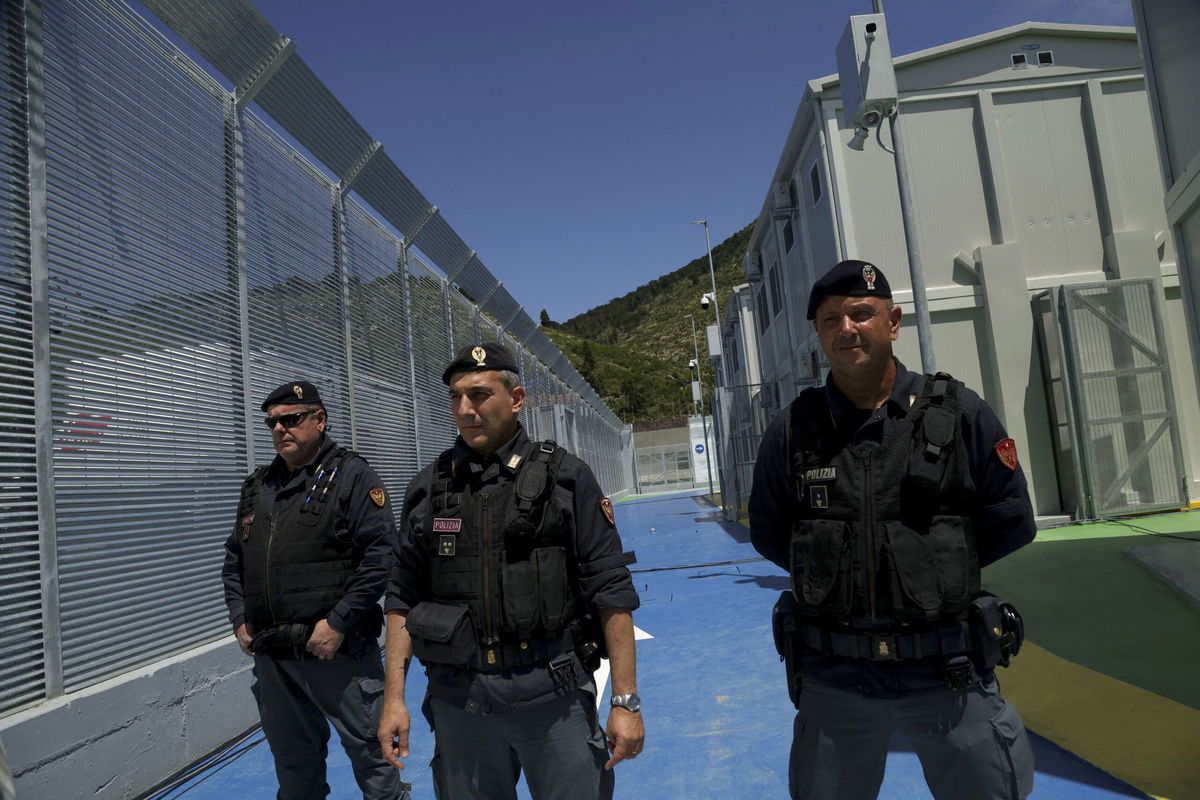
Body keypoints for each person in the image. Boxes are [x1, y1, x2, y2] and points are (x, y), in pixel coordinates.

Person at [750, 260, 1037, 800]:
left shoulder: (959, 414)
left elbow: (1009, 523)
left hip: (948, 675)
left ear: (894, 321)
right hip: (837, 682)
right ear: (818, 333)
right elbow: (772, 534)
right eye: (831, 319)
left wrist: (931, 577)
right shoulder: (792, 430)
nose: (846, 329)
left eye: (861, 313)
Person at [378, 343, 644, 800]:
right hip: (461, 706)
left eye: (479, 395)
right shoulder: (427, 489)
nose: (465, 409)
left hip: (552, 700)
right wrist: (394, 699)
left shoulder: (566, 478)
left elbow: (611, 590)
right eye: (456, 397)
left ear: (516, 398)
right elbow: (402, 596)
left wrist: (625, 701)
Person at [222, 381, 405, 800]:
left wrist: (339, 622)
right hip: (275, 658)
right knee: (294, 764)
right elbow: (234, 561)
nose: (280, 429)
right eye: (272, 423)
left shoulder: (352, 475)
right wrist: (239, 620)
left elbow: (381, 555)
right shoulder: (257, 487)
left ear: (319, 421)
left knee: (373, 759)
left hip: (336, 654)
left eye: (291, 419)